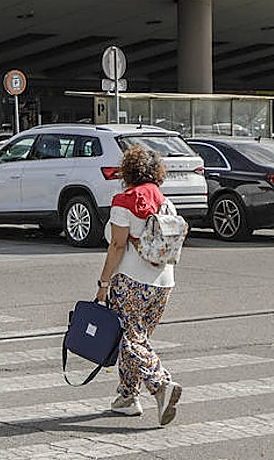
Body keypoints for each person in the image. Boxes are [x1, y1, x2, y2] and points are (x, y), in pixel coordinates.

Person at [96, 146, 182, 426]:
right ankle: (127, 397)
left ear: (127, 171)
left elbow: (118, 244)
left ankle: (160, 384)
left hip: (132, 281)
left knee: (129, 339)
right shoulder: (165, 201)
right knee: (138, 340)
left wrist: (103, 283)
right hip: (164, 282)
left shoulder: (125, 200)